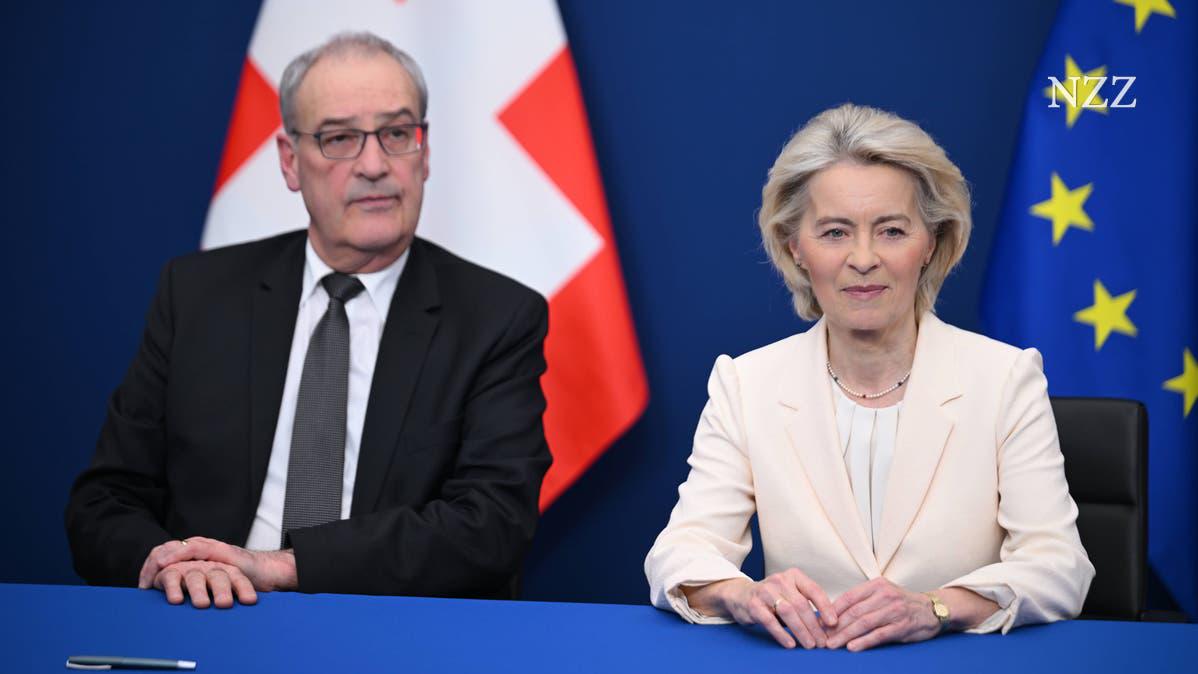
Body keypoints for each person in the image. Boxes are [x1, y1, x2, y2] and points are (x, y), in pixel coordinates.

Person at [65, 32, 552, 608]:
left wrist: (281, 567)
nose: (374, 165)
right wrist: (178, 568)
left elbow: (492, 525)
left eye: (397, 134)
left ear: (425, 155)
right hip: (207, 614)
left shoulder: (496, 318)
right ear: (290, 161)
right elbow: (105, 502)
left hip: (387, 621)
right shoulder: (195, 295)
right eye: (339, 138)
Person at [644, 103, 1094, 650]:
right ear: (795, 247)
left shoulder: (1005, 378)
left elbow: (1060, 567)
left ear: (930, 243)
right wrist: (740, 594)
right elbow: (679, 552)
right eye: (835, 232)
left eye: (891, 231)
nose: (863, 258)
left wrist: (937, 608)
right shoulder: (746, 383)